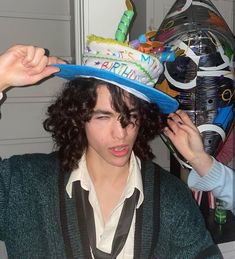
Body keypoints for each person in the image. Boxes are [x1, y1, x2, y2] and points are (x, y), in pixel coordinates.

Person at [0, 37, 223, 259]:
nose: (121, 133)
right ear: (79, 117)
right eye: (103, 117)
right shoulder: (22, 183)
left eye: (131, 116)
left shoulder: (171, 197)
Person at [164, 109, 235, 215]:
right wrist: (198, 162)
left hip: (217, 170)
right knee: (190, 206)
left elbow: (228, 150)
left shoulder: (226, 114)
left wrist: (207, 164)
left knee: (212, 212)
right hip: (194, 171)